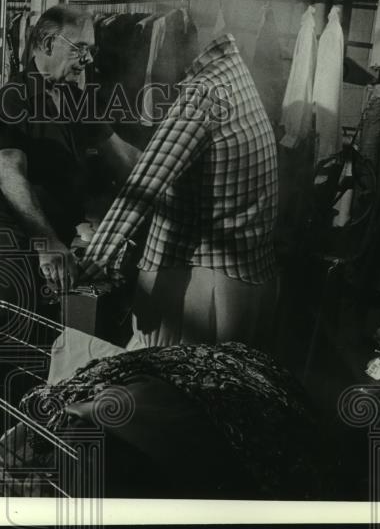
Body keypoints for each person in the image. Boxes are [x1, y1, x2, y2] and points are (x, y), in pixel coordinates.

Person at [80, 33, 280, 350]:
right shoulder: (237, 77)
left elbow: (148, 179)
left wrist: (91, 263)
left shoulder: (206, 92)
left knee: (162, 381)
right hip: (245, 274)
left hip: (198, 276)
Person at [0, 5, 138, 327]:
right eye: (80, 48)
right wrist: (46, 241)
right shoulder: (13, 98)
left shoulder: (75, 98)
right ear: (48, 43)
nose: (89, 59)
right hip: (20, 247)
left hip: (62, 245)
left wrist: (171, 166)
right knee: (15, 338)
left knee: (59, 344)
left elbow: (121, 155)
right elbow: (10, 173)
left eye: (91, 50)